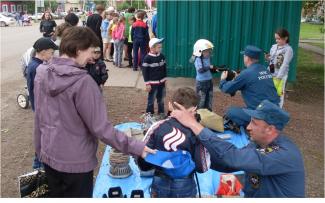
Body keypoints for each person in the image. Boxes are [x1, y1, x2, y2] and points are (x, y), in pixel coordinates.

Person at [33, 26, 155, 197]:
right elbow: (101, 129)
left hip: (48, 156)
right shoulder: (83, 82)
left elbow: (39, 116)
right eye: (91, 51)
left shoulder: (41, 73)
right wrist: (137, 147)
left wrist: (40, 151)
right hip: (75, 163)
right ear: (78, 49)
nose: (92, 57)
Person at [171, 99, 305, 197]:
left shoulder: (282, 154)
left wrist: (194, 125)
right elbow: (229, 164)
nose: (248, 127)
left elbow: (233, 157)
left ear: (270, 129)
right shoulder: (258, 144)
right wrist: (195, 156)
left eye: (254, 123)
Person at [138, 87, 210, 197]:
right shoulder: (197, 131)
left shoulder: (157, 126)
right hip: (185, 185)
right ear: (194, 109)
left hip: (160, 181)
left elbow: (143, 162)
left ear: (170, 105)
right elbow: (202, 167)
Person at [219, 45, 280, 128]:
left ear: (247, 58)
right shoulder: (265, 69)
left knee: (231, 112)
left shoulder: (246, 73)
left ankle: (258, 125)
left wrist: (223, 80)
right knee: (246, 109)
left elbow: (226, 89)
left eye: (244, 56)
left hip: (263, 115)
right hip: (276, 113)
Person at [26, 37, 58, 169]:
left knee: (43, 134)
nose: (52, 55)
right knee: (43, 135)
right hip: (41, 107)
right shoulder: (37, 67)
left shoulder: (35, 64)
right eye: (51, 52)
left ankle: (40, 161)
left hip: (40, 106)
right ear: (43, 52)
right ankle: (38, 164)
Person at [265, 28, 293, 108]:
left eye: (279, 39)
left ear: (286, 38)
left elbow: (285, 64)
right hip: (270, 73)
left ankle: (278, 111)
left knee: (279, 94)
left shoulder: (288, 50)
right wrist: (268, 58)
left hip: (280, 76)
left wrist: (279, 77)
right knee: (269, 92)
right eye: (276, 38)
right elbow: (271, 60)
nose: (277, 40)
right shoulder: (273, 47)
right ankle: (268, 108)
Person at [142, 38, 166, 117]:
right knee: (151, 99)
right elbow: (145, 72)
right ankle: (149, 113)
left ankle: (161, 112)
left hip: (161, 83)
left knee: (161, 99)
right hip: (153, 84)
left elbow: (164, 69)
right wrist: (147, 84)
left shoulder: (162, 56)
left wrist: (165, 80)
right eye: (159, 47)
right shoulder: (147, 58)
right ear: (152, 48)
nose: (161, 48)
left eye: (161, 47)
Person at [192, 39, 216, 111]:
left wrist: (215, 69)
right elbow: (200, 70)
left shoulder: (207, 58)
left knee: (209, 97)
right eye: (206, 51)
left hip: (209, 81)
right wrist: (209, 67)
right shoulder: (198, 59)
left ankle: (208, 112)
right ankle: (199, 114)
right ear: (200, 51)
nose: (208, 53)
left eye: (209, 51)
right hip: (201, 83)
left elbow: (209, 69)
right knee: (201, 99)